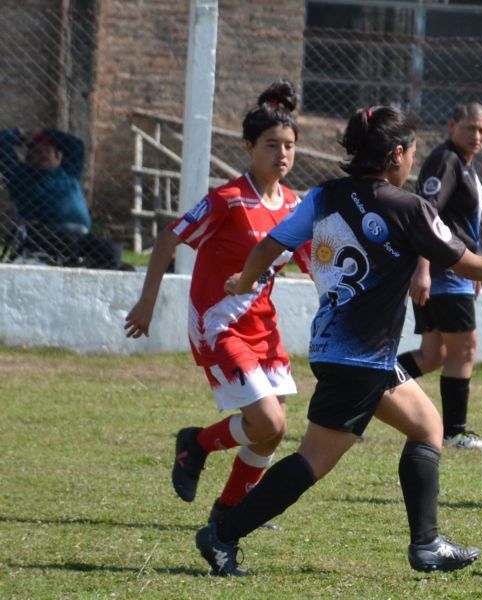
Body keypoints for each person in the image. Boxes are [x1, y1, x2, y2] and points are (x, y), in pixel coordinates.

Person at [193, 106, 482, 576]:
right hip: (359, 358)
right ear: (395, 154)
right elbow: (466, 263)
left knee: (427, 426)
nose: (413, 160)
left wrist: (245, 281)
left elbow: (270, 245)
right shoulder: (407, 207)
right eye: (410, 151)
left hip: (343, 351)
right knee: (313, 461)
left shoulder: (324, 196)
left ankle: (427, 545)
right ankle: (222, 535)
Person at [124, 80, 307, 525]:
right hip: (217, 324)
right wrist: (148, 303)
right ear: (249, 147)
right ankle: (197, 444)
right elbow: (170, 238)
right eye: (270, 145)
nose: (281, 154)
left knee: (270, 433)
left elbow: (314, 261)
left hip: (263, 328)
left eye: (289, 146)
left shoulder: (296, 206)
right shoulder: (227, 199)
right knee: (268, 423)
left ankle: (227, 512)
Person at [395, 102, 482, 450]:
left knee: (433, 354)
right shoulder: (447, 160)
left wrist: (475, 268)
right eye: (469, 128)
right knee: (464, 349)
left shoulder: (465, 164)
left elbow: (460, 224)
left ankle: (364, 392)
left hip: (455, 270)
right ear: (452, 124)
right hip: (442, 271)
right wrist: (422, 269)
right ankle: (455, 432)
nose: (476, 136)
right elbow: (427, 214)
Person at [0, 126, 120, 268]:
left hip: (80, 236)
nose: (41, 154)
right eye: (35, 152)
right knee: (69, 242)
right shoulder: (19, 177)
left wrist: (44, 132)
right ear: (27, 159)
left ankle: (86, 279)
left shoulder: (69, 172)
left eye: (46, 151)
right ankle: (75, 263)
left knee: (112, 251)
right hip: (43, 232)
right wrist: (20, 134)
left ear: (57, 157)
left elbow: (76, 145)